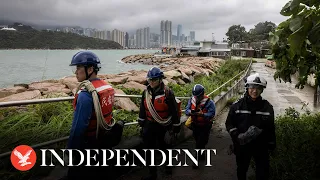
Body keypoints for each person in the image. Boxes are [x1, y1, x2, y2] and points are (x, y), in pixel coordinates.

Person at [66, 51, 124, 180]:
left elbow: (78, 127)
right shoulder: (107, 87)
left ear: (90, 69)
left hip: (89, 144)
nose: (75, 72)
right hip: (105, 139)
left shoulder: (86, 94)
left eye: (78, 68)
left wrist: (71, 151)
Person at [225, 73, 276, 180]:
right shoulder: (237, 106)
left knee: (262, 173)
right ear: (247, 87)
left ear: (262, 90)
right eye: (252, 87)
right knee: (242, 170)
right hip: (242, 146)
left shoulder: (267, 107)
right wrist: (237, 135)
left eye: (258, 88)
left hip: (261, 146)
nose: (255, 91)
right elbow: (229, 123)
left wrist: (272, 144)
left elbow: (271, 127)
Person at [137, 67, 181, 180]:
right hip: (149, 125)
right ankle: (152, 174)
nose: (151, 82)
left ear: (160, 79)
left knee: (166, 148)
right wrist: (141, 123)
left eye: (154, 79)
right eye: (150, 79)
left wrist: (175, 127)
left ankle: (168, 167)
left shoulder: (168, 93)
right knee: (148, 149)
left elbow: (174, 111)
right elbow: (143, 109)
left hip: (163, 126)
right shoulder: (145, 93)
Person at [185, 84, 216, 169]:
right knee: (199, 141)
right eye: (195, 96)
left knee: (200, 142)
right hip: (195, 125)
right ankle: (202, 154)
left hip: (205, 126)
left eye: (198, 96)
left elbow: (212, 113)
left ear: (202, 94)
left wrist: (203, 115)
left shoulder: (210, 102)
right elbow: (187, 109)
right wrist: (190, 112)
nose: (197, 98)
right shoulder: (192, 100)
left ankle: (195, 161)